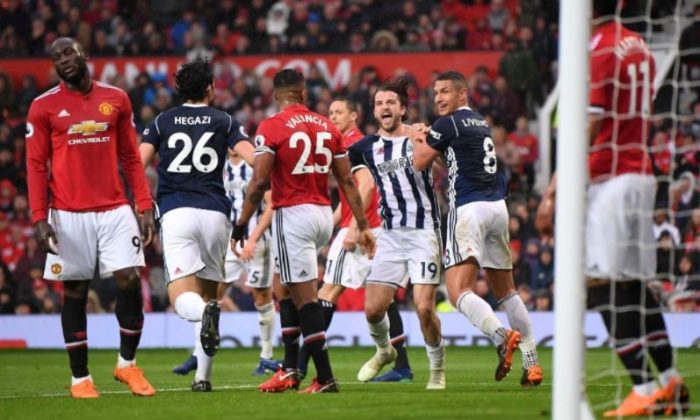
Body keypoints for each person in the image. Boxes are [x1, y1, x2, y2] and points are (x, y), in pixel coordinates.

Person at [536, 0, 689, 416]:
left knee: (600, 284)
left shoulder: (599, 49)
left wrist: (554, 191)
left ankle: (643, 386)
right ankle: (669, 380)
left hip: (611, 180)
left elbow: (589, 124)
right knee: (633, 286)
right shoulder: (637, 44)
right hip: (640, 174)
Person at [26, 37, 157, 399]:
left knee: (129, 278)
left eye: (68, 52)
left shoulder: (116, 98)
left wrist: (144, 205)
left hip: (114, 208)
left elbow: (131, 156)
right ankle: (80, 378)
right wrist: (39, 216)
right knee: (76, 290)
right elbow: (35, 165)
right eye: (57, 57)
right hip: (67, 212)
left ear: (83, 53)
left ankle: (127, 364)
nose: (64, 60)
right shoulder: (42, 106)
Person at [232, 69, 376, 394]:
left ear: (276, 96)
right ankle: (290, 369)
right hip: (322, 213)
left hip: (293, 214)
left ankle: (325, 378)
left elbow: (259, 182)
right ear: (304, 94)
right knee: (283, 287)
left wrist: (241, 223)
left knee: (305, 299)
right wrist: (363, 225)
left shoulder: (272, 126)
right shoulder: (327, 125)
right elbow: (347, 181)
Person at [411, 70, 542, 387]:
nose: (438, 98)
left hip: (469, 209)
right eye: (436, 92)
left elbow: (418, 162)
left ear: (462, 94)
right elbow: (453, 162)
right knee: (507, 292)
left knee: (458, 292)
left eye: (445, 91)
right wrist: (434, 142)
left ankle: (501, 336)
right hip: (497, 208)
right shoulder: (479, 121)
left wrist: (418, 136)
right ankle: (532, 363)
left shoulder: (448, 123)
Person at [140, 59, 255, 392]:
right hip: (216, 214)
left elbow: (137, 163)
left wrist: (143, 206)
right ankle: (202, 379)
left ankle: (204, 316)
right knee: (209, 297)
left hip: (177, 212)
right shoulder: (224, 120)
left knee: (183, 299)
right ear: (210, 88)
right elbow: (254, 159)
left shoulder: (162, 121)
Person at [297, 96, 414, 383]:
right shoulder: (358, 144)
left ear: (354, 115)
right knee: (385, 299)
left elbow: (366, 186)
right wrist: (329, 226)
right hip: (379, 229)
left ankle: (299, 366)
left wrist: (353, 228)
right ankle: (402, 367)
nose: (333, 117)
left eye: (339, 112)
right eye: (330, 112)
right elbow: (347, 199)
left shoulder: (353, 145)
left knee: (327, 293)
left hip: (364, 229)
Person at [348, 78, 445, 390]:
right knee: (373, 310)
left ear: (402, 109)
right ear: (375, 112)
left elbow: (445, 164)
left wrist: (426, 137)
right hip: (389, 236)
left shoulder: (419, 137)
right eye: (379, 104)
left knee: (424, 308)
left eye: (391, 102)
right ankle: (384, 351)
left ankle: (437, 371)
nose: (384, 108)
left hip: (423, 232)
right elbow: (346, 175)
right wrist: (360, 225)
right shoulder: (364, 149)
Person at [172, 149, 281, 377]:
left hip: (256, 241)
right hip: (227, 241)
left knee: (262, 296)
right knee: (210, 296)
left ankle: (266, 357)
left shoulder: (254, 165)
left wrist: (253, 239)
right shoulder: (218, 165)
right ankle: (198, 354)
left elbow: (271, 204)